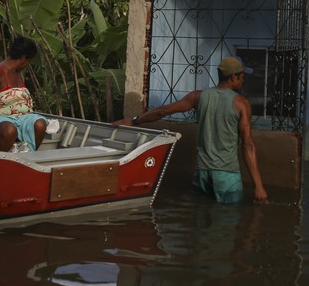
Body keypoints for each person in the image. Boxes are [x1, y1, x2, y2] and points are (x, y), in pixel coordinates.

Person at [114, 56, 268, 204]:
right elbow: (248, 145)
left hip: (202, 173)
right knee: (228, 220)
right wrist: (258, 186)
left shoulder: (198, 96)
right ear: (234, 77)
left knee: (201, 216)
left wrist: (134, 121)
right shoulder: (241, 104)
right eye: (242, 76)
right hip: (227, 175)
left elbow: (163, 111)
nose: (243, 80)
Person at [0, 35, 49, 152]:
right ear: (24, 58)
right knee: (9, 129)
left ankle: (24, 154)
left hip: (21, 118)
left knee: (40, 124)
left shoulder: (18, 73)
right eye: (29, 61)